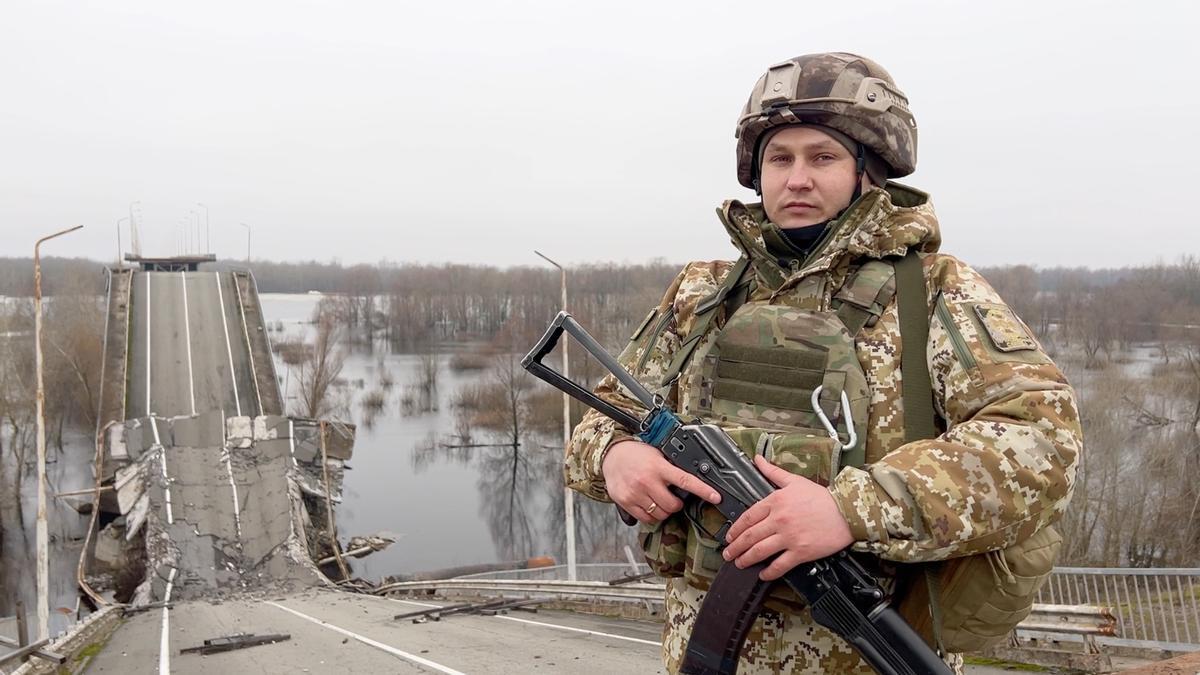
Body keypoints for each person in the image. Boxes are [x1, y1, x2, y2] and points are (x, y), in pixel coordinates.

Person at [564, 52, 1082, 674]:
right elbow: (600, 418)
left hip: (864, 650)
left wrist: (850, 508)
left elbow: (1042, 444)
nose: (797, 179)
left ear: (871, 171)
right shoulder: (702, 295)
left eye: (823, 157)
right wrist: (614, 458)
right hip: (701, 649)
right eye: (779, 159)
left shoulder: (935, 292)